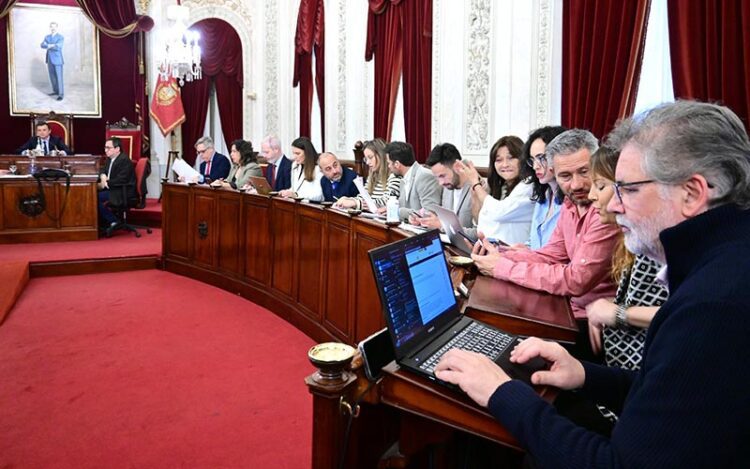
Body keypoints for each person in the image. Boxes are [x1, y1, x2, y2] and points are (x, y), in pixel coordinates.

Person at [435, 100, 750, 468]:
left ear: (692, 194)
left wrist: (501, 391)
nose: (612, 206)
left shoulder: (713, 305)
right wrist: (586, 375)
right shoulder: (721, 265)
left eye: (627, 190)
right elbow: (673, 400)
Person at [471, 129, 619, 360]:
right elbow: (551, 254)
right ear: (555, 173)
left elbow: (575, 280)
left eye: (584, 172)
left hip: (594, 324)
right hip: (568, 310)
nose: (578, 184)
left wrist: (501, 267)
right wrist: (501, 254)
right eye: (566, 176)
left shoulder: (605, 210)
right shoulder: (570, 204)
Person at [584, 146, 668, 364]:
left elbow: (678, 312)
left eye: (601, 186)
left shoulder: (651, 240)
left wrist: (617, 312)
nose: (591, 195)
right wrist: (604, 306)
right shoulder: (632, 239)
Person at [464, 136, 535, 245]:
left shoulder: (529, 185)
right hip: (492, 252)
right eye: (498, 160)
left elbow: (499, 212)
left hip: (515, 256)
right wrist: (475, 194)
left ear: (523, 159)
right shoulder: (502, 187)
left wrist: (476, 184)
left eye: (511, 158)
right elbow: (482, 222)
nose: (505, 164)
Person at [524, 126, 568, 249]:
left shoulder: (572, 201)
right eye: (532, 160)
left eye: (541, 158)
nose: (535, 166)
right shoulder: (544, 196)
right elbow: (534, 244)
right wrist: (508, 250)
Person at [414, 143, 474, 233]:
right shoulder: (448, 188)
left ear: (457, 167)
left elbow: (479, 233)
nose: (440, 183)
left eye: (442, 176)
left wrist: (443, 226)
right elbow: (440, 218)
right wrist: (421, 219)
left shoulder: (478, 188)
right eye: (437, 177)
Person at [334, 138, 401, 212]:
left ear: (381, 156)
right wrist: (347, 199)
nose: (368, 162)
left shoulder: (395, 176)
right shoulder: (373, 176)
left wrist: (355, 203)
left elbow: (387, 202)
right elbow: (363, 197)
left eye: (370, 157)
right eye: (366, 159)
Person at [385, 141, 442, 221]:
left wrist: (399, 211)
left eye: (389, 163)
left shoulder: (424, 176)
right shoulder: (402, 180)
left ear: (397, 164)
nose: (388, 166)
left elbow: (430, 213)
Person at [97, 137, 136, 236]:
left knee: (94, 198)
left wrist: (106, 183)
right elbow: (102, 170)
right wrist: (103, 176)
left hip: (123, 191)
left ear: (117, 149)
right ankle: (104, 223)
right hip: (114, 189)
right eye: (105, 148)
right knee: (93, 194)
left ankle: (114, 221)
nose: (106, 150)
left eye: (108, 148)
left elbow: (122, 180)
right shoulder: (110, 159)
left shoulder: (124, 161)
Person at [279, 137, 324, 202]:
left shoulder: (318, 168)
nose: (294, 157)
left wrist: (296, 194)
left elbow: (319, 196)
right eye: (293, 153)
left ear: (307, 153)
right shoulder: (294, 165)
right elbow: (295, 188)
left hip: (311, 206)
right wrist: (286, 192)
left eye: (298, 153)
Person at [41, 22, 64, 101]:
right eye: (51, 27)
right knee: (52, 77)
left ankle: (60, 94)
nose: (53, 28)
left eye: (54, 27)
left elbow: (58, 47)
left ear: (57, 27)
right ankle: (56, 91)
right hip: (49, 59)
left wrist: (48, 45)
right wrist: (51, 45)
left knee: (59, 77)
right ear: (49, 27)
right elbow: (42, 45)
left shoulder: (60, 37)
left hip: (58, 60)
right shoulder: (47, 37)